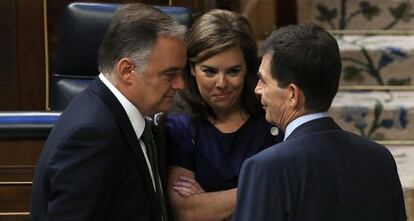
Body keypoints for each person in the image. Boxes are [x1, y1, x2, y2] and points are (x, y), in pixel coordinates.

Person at [233, 23, 407, 221]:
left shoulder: (265, 168)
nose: (257, 89)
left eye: (263, 80)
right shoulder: (380, 158)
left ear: (292, 95)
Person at [30, 4, 186, 221]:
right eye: (170, 74)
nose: (180, 84)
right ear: (127, 71)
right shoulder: (92, 135)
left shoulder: (125, 116)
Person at [164, 9, 283, 221]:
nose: (221, 84)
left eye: (233, 71)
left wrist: (210, 203)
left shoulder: (270, 114)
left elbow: (285, 200)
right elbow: (187, 212)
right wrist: (258, 191)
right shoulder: (180, 122)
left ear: (247, 69)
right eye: (209, 71)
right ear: (192, 68)